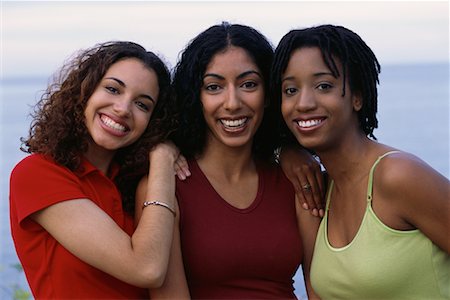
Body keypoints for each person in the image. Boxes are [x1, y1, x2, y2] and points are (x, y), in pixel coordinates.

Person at [135, 22, 321, 299]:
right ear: (195, 97)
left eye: (248, 84)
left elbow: (319, 288)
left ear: (269, 94)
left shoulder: (296, 178)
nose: (232, 102)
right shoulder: (163, 186)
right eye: (213, 87)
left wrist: (288, 151)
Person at [271, 24, 450, 299]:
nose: (304, 103)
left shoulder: (398, 175)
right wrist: (281, 151)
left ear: (357, 97)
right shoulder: (321, 191)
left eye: (324, 86)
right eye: (290, 90)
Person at [9, 41, 188, 298]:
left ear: (153, 121)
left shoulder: (133, 183)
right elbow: (146, 268)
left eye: (142, 105)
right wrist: (162, 157)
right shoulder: (37, 173)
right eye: (113, 89)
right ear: (85, 91)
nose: (123, 109)